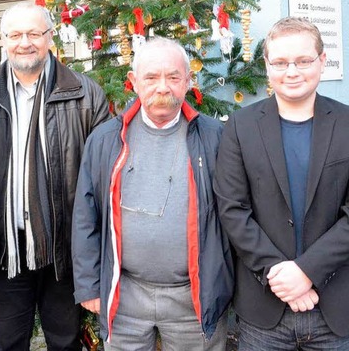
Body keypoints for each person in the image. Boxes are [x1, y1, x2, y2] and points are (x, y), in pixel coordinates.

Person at [214, 17, 349, 350]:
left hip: (336, 305)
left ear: (322, 61)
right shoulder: (240, 126)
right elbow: (232, 209)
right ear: (267, 66)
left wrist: (305, 271)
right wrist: (278, 273)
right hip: (263, 307)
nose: (292, 71)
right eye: (280, 62)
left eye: (303, 60)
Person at [0, 2, 110, 350]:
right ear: (3, 40)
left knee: (66, 341)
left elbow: (103, 179)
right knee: (8, 342)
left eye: (33, 33)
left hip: (64, 249)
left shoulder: (85, 94)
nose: (24, 42)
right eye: (15, 35)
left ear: (49, 37)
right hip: (5, 247)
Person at [72, 37, 234, 350]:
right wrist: (89, 285)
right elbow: (85, 216)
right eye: (151, 77)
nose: (162, 87)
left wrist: (226, 285)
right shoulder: (105, 140)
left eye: (173, 77)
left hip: (194, 298)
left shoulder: (215, 138)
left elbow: (234, 214)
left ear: (188, 81)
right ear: (133, 82)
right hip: (125, 297)